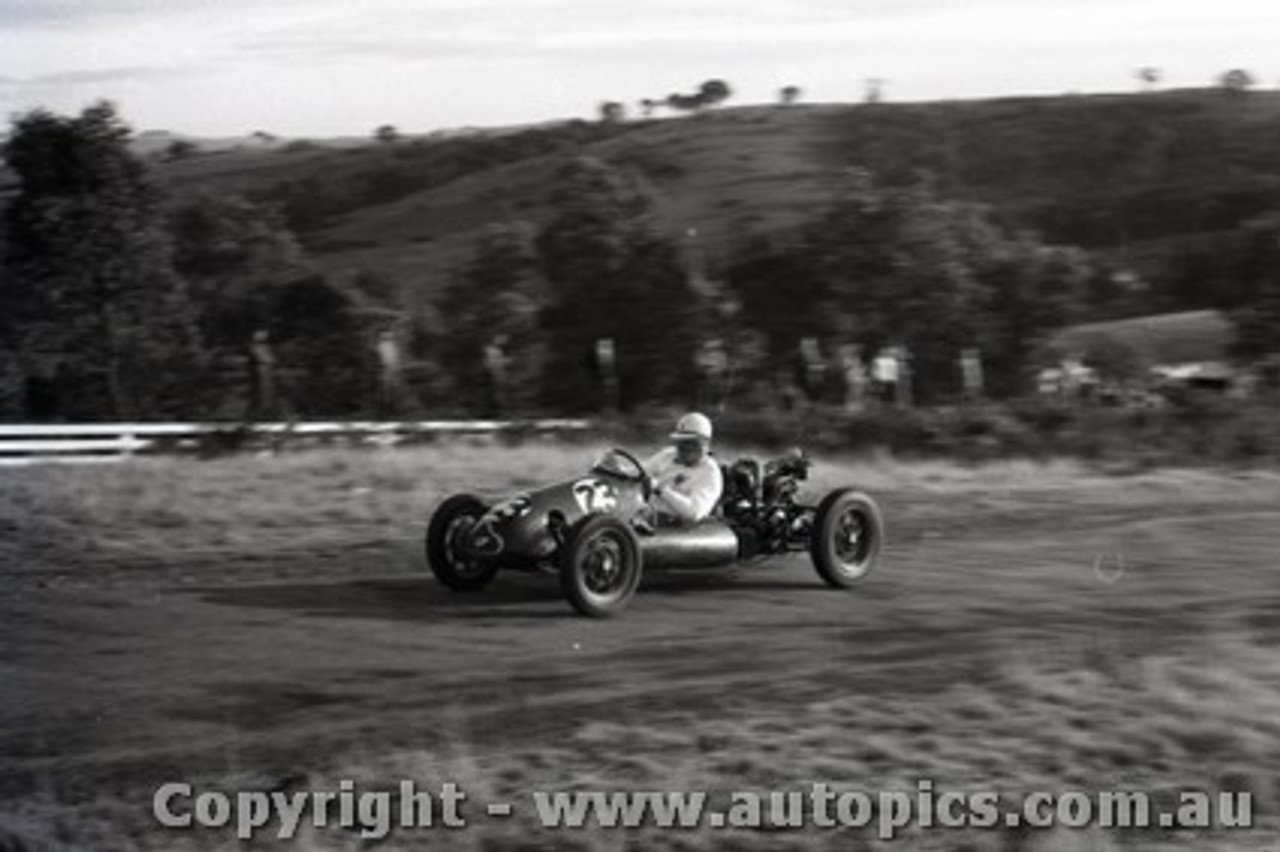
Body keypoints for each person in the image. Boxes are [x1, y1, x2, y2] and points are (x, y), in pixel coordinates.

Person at [643, 412, 724, 525]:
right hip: (645, 516)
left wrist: (661, 490)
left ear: (704, 444)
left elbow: (694, 512)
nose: (684, 447)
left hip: (678, 529)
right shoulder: (668, 455)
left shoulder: (710, 473)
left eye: (691, 442)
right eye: (681, 441)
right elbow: (640, 473)